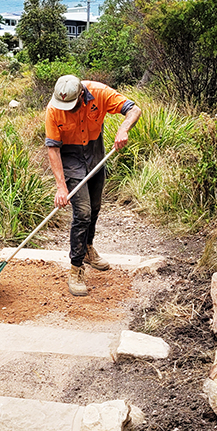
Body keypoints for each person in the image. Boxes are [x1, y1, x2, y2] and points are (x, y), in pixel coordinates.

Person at [45, 75, 141, 296]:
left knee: (95, 207)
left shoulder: (99, 92)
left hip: (95, 151)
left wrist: (123, 128)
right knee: (83, 213)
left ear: (81, 94)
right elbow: (53, 149)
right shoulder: (53, 108)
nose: (66, 109)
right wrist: (61, 187)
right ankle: (76, 267)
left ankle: (87, 248)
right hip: (70, 156)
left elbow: (134, 109)